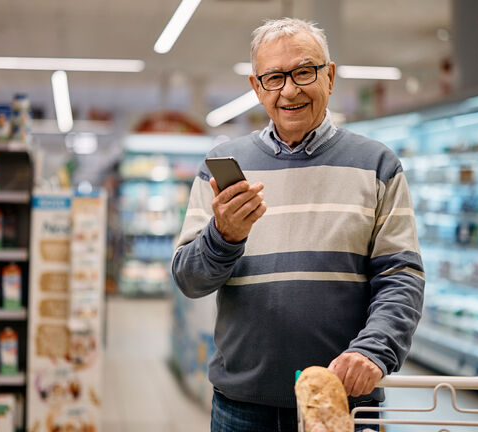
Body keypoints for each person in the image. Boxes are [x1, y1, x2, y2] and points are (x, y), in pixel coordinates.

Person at [171, 17, 424, 432]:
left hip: (345, 401)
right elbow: (189, 280)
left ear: (330, 76)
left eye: (303, 72)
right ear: (257, 88)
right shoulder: (220, 171)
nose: (289, 90)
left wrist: (376, 350)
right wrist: (223, 237)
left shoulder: (378, 165)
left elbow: (401, 275)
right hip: (241, 407)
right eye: (273, 77)